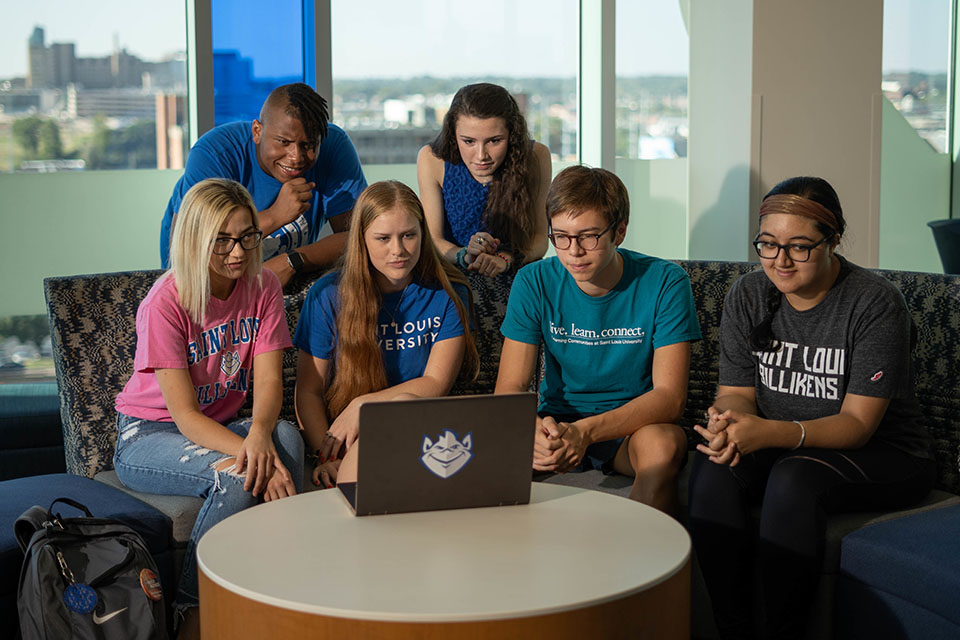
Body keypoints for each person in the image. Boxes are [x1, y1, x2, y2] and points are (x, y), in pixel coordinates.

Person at [687, 176, 936, 640]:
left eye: (799, 247)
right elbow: (737, 391)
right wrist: (727, 422)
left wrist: (768, 433)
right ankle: (732, 630)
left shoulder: (874, 302)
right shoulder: (748, 293)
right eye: (768, 244)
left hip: (886, 454)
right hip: (783, 443)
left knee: (795, 477)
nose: (780, 261)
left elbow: (858, 425)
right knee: (712, 468)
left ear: (833, 240)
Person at [115, 178, 304, 639]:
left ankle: (286, 590)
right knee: (241, 473)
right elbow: (184, 417)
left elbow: (269, 382)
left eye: (246, 236)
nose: (237, 251)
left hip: (227, 420)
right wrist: (252, 450)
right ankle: (192, 615)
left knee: (288, 440)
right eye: (222, 240)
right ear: (196, 239)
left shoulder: (262, 287)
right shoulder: (165, 302)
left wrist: (260, 435)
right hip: (150, 434)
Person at [495, 166, 701, 515]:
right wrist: (534, 432)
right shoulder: (533, 281)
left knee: (663, 446)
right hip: (556, 424)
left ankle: (632, 557)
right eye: (560, 236)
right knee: (478, 452)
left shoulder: (666, 281)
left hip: (633, 426)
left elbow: (670, 399)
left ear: (619, 232)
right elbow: (510, 388)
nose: (573, 251)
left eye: (588, 236)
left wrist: (586, 433)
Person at [293, 180, 477, 487]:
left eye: (409, 235)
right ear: (362, 241)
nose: (399, 250)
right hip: (348, 441)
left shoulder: (447, 294)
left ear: (423, 234)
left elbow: (435, 384)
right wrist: (328, 457)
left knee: (405, 401)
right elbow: (308, 391)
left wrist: (364, 405)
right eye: (383, 238)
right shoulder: (327, 295)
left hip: (420, 433)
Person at [160, 83, 367, 286]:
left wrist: (292, 260)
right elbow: (189, 246)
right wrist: (276, 215)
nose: (296, 157)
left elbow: (359, 238)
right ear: (257, 131)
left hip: (286, 281)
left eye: (308, 145)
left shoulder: (334, 146)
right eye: (283, 142)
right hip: (208, 282)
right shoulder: (215, 154)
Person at [417, 82, 552, 277]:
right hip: (454, 276)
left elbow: (541, 239)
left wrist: (506, 259)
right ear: (453, 135)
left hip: (517, 272)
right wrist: (464, 255)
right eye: (469, 141)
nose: (481, 155)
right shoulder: (432, 159)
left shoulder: (535, 156)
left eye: (494, 141)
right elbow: (433, 241)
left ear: (512, 135)